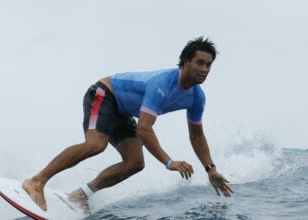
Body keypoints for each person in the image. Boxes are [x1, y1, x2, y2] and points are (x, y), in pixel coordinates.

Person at [22, 36, 234, 212]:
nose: (205, 69)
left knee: (135, 162)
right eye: (200, 63)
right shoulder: (163, 84)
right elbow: (144, 128)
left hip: (123, 112)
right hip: (104, 94)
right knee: (96, 144)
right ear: (185, 62)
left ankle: (81, 195)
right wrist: (169, 162)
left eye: (209, 65)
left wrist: (210, 170)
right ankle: (36, 181)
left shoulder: (197, 97)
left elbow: (197, 135)